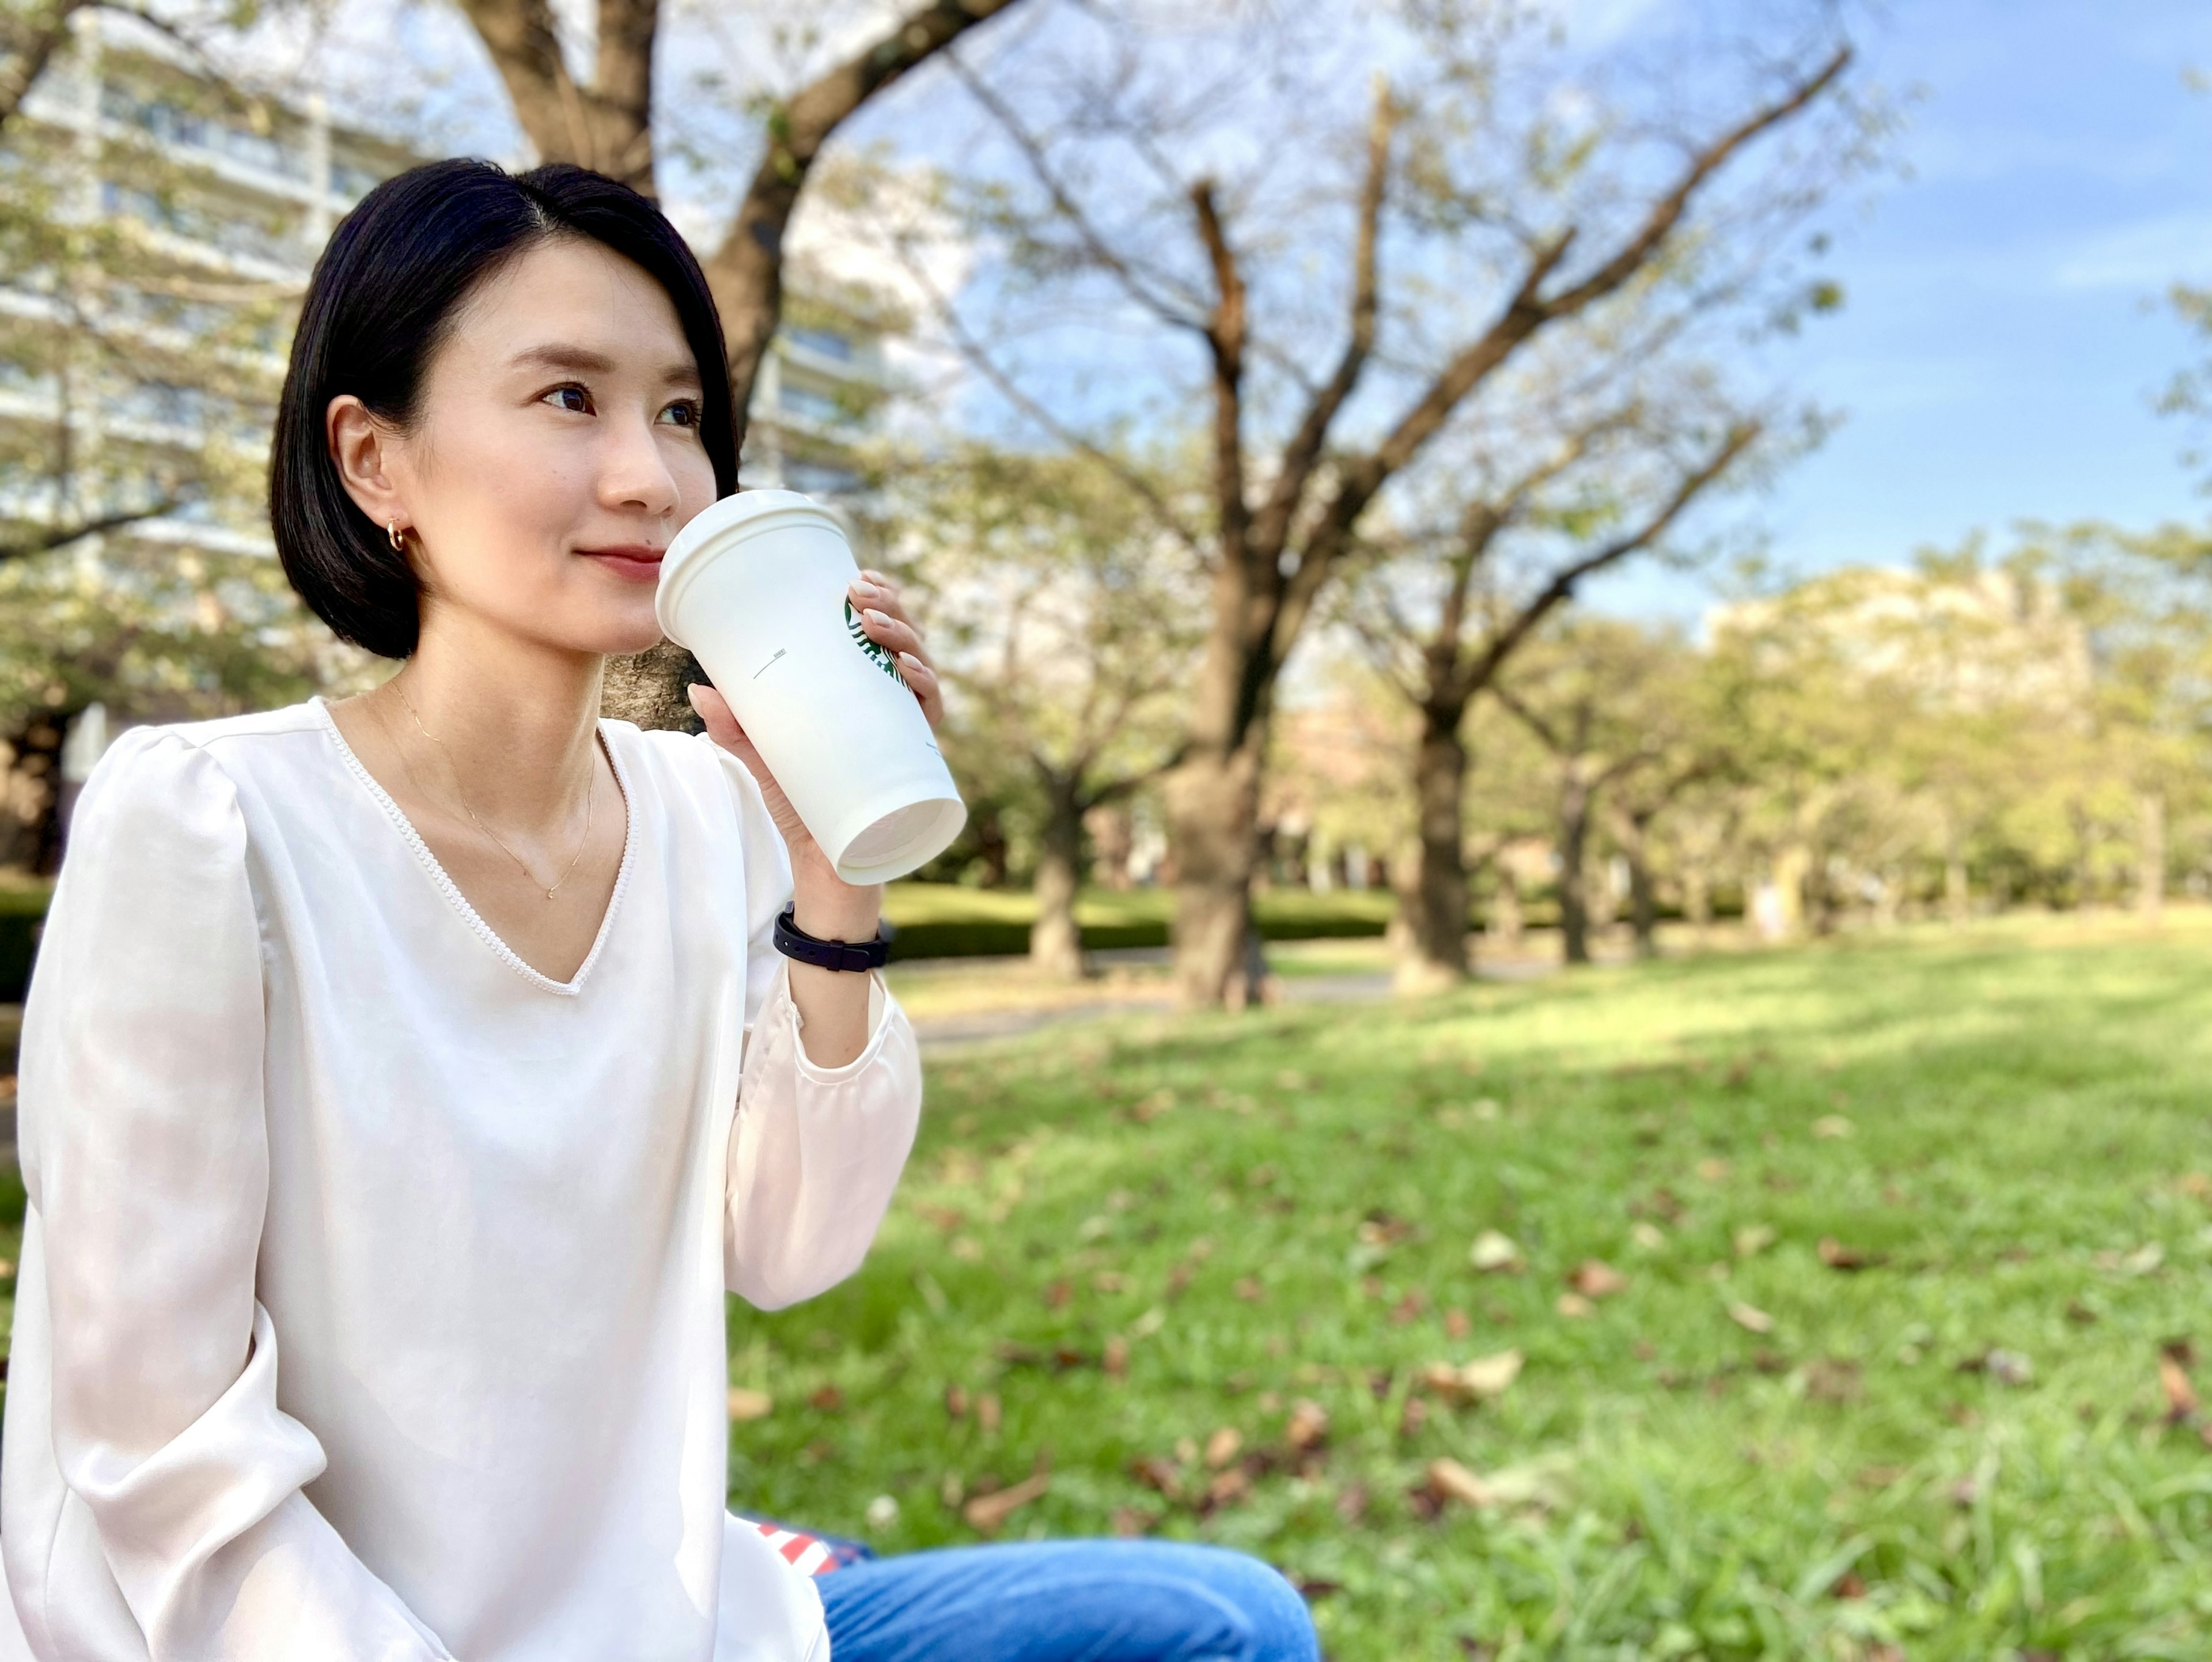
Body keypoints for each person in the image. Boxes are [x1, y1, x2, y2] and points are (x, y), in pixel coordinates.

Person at [0, 159, 1318, 1662]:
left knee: (1219, 1625)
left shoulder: (705, 816)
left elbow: (791, 1250)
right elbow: (163, 1465)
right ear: (376, 463)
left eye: (681, 414)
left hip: (669, 1623)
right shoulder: (208, 824)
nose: (651, 476)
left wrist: (834, 877)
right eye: (569, 398)